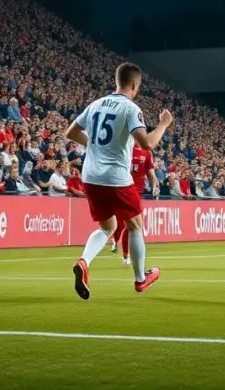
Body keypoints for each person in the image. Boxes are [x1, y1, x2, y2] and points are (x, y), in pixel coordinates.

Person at [64, 62, 173, 299]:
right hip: (116, 177)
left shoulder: (96, 104)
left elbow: (70, 132)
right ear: (135, 85)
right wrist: (163, 124)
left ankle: (84, 261)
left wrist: (93, 145)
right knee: (135, 225)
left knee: (108, 227)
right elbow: (147, 144)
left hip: (91, 176)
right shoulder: (131, 109)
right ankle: (140, 280)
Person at [110, 144, 158, 265]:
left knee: (130, 224)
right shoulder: (124, 147)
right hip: (122, 188)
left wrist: (155, 185)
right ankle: (116, 241)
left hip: (137, 192)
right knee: (122, 223)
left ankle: (125, 255)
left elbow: (151, 174)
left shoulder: (146, 153)